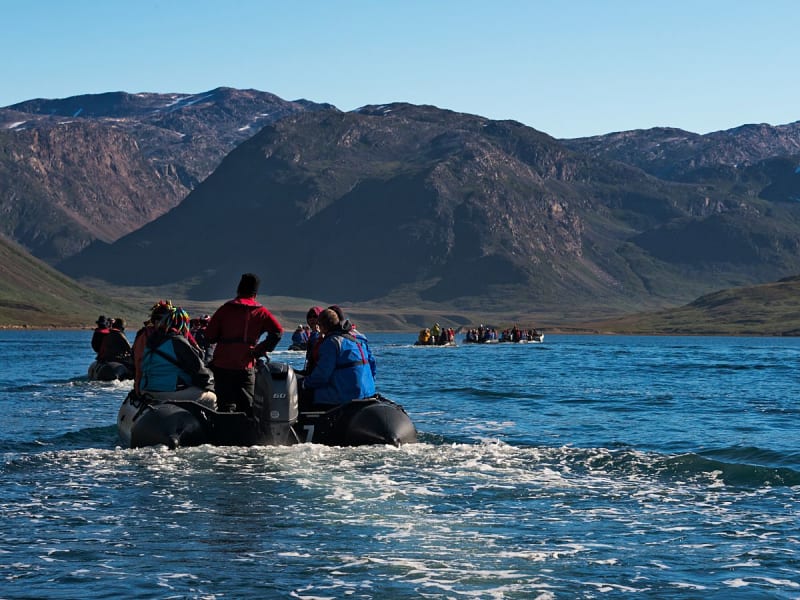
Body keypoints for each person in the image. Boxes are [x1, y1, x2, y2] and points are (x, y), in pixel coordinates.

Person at [206, 273, 283, 414]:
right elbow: (278, 332)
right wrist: (259, 350)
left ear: (238, 289)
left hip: (222, 363)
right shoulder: (261, 312)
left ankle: (225, 433)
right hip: (245, 363)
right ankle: (246, 434)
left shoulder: (225, 309)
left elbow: (210, 336)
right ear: (255, 293)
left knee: (225, 404)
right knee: (247, 405)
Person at [139, 306, 217, 409]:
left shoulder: (151, 340)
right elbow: (200, 372)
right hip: (167, 392)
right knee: (212, 397)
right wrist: (213, 385)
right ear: (183, 323)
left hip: (146, 390)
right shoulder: (177, 341)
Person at [302, 308, 376, 407]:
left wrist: (304, 383)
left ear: (322, 326)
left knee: (303, 394)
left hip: (345, 395)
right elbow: (372, 365)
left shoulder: (331, 343)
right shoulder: (358, 339)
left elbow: (322, 376)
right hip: (368, 392)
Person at [133, 300, 174, 396]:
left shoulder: (143, 335)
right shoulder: (175, 337)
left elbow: (137, 360)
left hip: (146, 385)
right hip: (169, 387)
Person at [301, 306, 323, 375]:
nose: (312, 319)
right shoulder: (312, 334)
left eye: (315, 316)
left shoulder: (324, 335)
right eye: (310, 317)